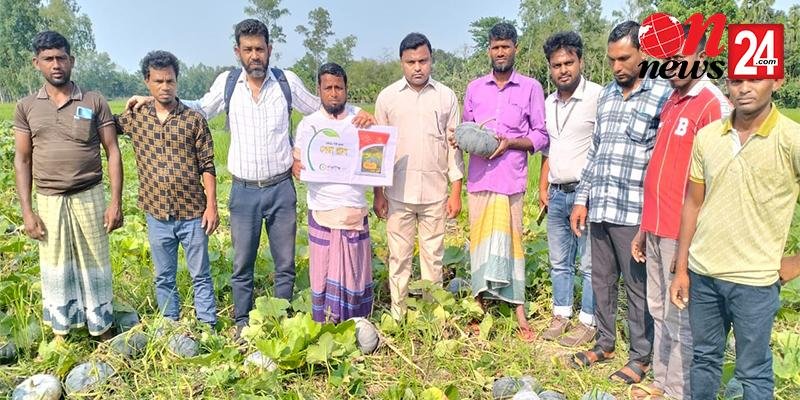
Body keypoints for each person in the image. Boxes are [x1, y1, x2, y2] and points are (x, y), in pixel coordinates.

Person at [127, 19, 373, 337]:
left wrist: (359, 114)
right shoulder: (228, 84)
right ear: (237, 51)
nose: (254, 55)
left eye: (259, 49)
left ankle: (281, 321)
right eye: (248, 49)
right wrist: (156, 99)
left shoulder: (286, 82)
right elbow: (199, 109)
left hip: (281, 189)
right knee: (242, 263)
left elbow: (325, 106)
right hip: (243, 192)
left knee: (285, 264)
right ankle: (242, 322)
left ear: (269, 49)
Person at [670, 76, 800, 398]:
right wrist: (682, 268)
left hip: (755, 282)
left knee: (752, 372)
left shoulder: (792, 139)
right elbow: (693, 203)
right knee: (704, 358)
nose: (744, 89)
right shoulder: (708, 136)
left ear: (777, 81)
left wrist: (798, 262)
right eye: (737, 80)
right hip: (704, 276)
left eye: (755, 79)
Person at [629, 27, 731, 400]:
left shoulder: (712, 104)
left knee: (681, 316)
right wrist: (644, 228)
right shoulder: (672, 100)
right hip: (657, 226)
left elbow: (718, 181)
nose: (670, 66)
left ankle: (678, 391)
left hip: (682, 233)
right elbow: (660, 168)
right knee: (659, 310)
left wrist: (690, 246)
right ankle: (661, 382)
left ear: (701, 57)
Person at [568, 21, 671, 384]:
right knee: (602, 280)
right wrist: (582, 199)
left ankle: (641, 356)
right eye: (612, 59)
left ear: (644, 54)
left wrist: (652, 214)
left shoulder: (663, 93)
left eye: (625, 58)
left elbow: (662, 159)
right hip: (601, 206)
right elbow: (596, 151)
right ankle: (605, 342)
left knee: (637, 286)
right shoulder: (608, 95)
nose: (617, 66)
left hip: (634, 212)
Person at [13, 31, 123, 340]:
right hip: (49, 199)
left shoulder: (92, 100)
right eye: (48, 59)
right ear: (36, 63)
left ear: (71, 60)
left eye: (61, 58)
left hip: (89, 194)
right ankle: (62, 331)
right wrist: (27, 211)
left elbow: (112, 151)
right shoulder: (26, 106)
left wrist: (115, 202)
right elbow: (22, 159)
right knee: (56, 265)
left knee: (95, 263)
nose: (56, 64)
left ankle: (102, 328)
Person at [116, 50, 219, 328]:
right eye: (158, 81)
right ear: (147, 82)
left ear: (177, 81)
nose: (165, 87)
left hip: (193, 212)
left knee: (201, 274)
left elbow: (207, 165)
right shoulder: (136, 117)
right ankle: (169, 325)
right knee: (164, 276)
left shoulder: (193, 120)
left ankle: (208, 325)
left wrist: (211, 206)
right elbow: (105, 125)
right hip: (157, 213)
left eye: (170, 81)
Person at [462, 23, 548, 341]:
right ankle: (479, 305)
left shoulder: (531, 88)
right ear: (489, 49)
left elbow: (540, 135)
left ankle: (518, 309)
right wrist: (463, 138)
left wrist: (509, 143)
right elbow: (467, 128)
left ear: (515, 48)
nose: (500, 52)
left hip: (511, 178)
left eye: (506, 46)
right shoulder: (474, 88)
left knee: (513, 244)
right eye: (495, 47)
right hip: (480, 178)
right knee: (479, 242)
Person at [373, 33, 464, 320]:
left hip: (435, 193)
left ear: (431, 60)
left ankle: (430, 315)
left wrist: (456, 191)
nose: (417, 67)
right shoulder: (387, 98)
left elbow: (454, 147)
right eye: (411, 62)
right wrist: (378, 193)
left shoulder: (446, 96)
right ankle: (398, 314)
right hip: (397, 193)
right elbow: (377, 151)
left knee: (433, 257)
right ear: (401, 62)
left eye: (423, 61)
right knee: (398, 257)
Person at [292, 63, 373, 323]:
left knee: (355, 273)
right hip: (322, 209)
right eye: (328, 88)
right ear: (319, 90)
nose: (334, 93)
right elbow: (297, 163)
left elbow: (378, 154)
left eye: (339, 87)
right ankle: (325, 326)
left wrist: (374, 123)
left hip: (353, 208)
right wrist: (298, 167)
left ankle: (357, 324)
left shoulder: (360, 120)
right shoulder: (309, 125)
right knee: (323, 273)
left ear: (346, 89)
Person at [538, 31, 602, 347]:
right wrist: (542, 186)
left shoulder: (598, 97)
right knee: (559, 260)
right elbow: (548, 149)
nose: (563, 70)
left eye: (568, 63)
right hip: (556, 192)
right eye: (556, 65)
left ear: (580, 62)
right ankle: (561, 314)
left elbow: (602, 149)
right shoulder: (548, 102)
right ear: (550, 68)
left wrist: (587, 196)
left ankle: (588, 321)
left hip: (584, 194)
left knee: (589, 262)